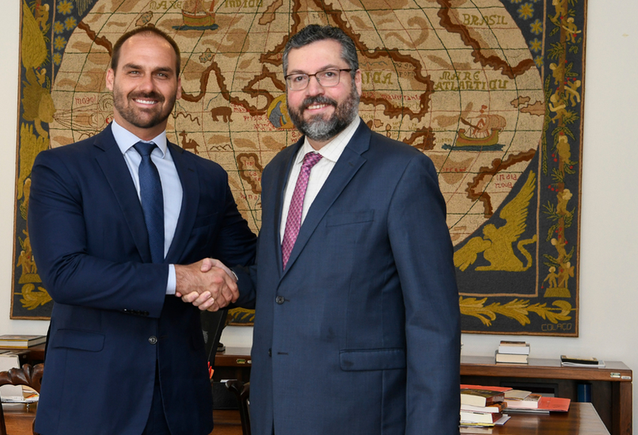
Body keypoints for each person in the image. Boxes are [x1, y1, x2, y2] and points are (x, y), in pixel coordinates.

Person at [188, 24, 461, 435]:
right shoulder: (278, 170)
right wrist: (229, 282)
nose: (313, 90)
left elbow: (433, 321)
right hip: (274, 410)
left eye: (328, 74)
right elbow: (282, 280)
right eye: (299, 78)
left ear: (357, 81)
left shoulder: (404, 171)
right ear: (288, 91)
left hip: (362, 415)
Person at [28, 26, 256, 435]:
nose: (147, 86)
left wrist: (230, 281)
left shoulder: (207, 178)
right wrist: (177, 277)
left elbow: (252, 263)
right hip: (89, 404)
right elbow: (65, 274)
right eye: (134, 71)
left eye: (161, 74)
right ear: (111, 78)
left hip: (179, 406)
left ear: (178, 86)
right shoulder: (61, 168)